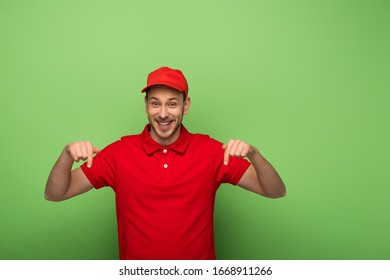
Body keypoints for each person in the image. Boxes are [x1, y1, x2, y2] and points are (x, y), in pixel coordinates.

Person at [45, 66, 286, 260]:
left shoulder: (212, 151)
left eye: (172, 103)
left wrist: (254, 154)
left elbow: (275, 191)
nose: (163, 113)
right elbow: (56, 193)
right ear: (147, 106)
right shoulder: (119, 152)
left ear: (186, 106)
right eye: (155, 103)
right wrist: (66, 156)